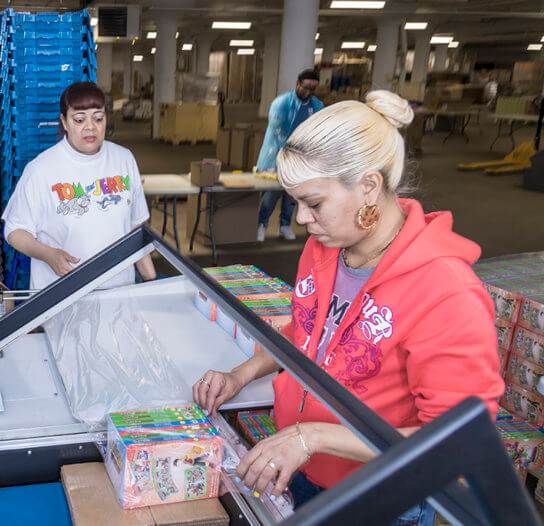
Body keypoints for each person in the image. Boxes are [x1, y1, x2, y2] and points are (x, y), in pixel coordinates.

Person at [194, 91, 504, 525]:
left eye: (314, 203)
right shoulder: (325, 248)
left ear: (369, 187)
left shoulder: (445, 292)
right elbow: (308, 334)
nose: (301, 219)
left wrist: (315, 436)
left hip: (379, 497)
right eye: (296, 202)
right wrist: (240, 374)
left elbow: (460, 442)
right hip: (303, 468)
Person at [2, 81, 156, 289]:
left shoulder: (123, 159)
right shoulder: (41, 170)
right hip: (63, 294)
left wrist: (151, 281)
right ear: (64, 122)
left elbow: (135, 228)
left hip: (118, 292)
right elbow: (15, 231)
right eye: (80, 119)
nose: (90, 126)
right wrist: (48, 255)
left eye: (98, 118)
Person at [256, 69, 322, 242]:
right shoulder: (281, 103)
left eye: (312, 89)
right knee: (272, 193)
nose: (308, 92)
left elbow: (319, 130)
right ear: (297, 84)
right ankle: (261, 224)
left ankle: (284, 225)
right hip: (275, 156)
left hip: (301, 159)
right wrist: (295, 152)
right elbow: (279, 132)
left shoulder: (316, 106)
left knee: (293, 194)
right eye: (305, 88)